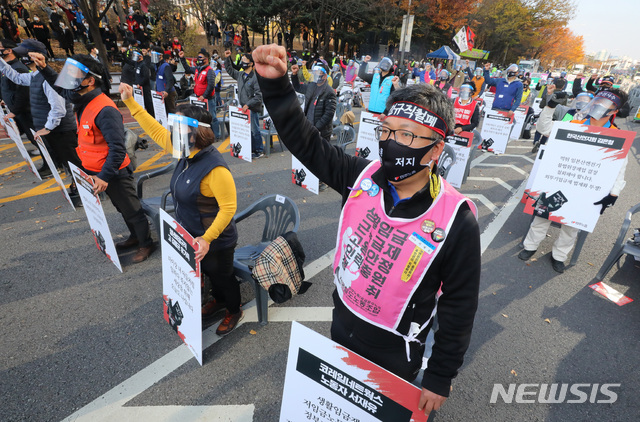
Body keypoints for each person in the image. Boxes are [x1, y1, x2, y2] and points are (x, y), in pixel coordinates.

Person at [252, 44, 481, 419]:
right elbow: (304, 141)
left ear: (437, 150)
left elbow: (459, 305)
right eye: (387, 130)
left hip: (396, 353)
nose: (392, 142)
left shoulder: (456, 219)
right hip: (342, 328)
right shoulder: (360, 177)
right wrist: (275, 85)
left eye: (407, 135)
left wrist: (439, 376)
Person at [119, 83, 243, 334]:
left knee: (223, 276)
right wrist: (130, 102)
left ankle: (233, 309)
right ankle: (218, 301)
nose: (172, 133)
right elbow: (154, 130)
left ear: (196, 134)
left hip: (215, 240)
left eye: (179, 129)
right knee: (208, 271)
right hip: (193, 236)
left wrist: (207, 239)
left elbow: (229, 208)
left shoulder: (216, 169)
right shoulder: (184, 150)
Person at [32, 52, 155, 263]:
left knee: (132, 210)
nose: (70, 80)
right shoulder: (81, 98)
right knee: (120, 207)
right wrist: (44, 68)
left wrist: (104, 177)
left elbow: (118, 149)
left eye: (75, 76)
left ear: (89, 81)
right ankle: (135, 237)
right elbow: (60, 88)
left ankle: (146, 244)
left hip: (113, 171)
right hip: (98, 170)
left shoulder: (105, 109)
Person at [519, 88, 629, 273]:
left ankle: (559, 255)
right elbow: (544, 128)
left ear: (614, 111)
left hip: (585, 186)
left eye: (606, 104)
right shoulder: (573, 124)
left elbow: (619, 168)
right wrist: (550, 106)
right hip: (561, 178)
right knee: (542, 215)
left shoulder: (616, 136)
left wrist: (614, 193)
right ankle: (530, 246)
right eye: (598, 101)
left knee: (572, 223)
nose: (600, 106)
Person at [0, 39, 81, 192]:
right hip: (54, 129)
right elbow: (16, 77)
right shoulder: (35, 75)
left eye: (24, 53)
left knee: (73, 162)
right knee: (67, 162)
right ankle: (79, 187)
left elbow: (59, 109)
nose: (20, 56)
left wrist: (48, 127)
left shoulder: (49, 78)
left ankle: (87, 191)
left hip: (61, 130)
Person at [224, 49, 264, 158]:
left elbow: (259, 95)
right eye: (242, 60)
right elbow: (230, 70)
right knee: (247, 131)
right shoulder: (240, 74)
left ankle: (259, 150)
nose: (242, 62)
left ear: (251, 63)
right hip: (243, 108)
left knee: (255, 130)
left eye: (245, 60)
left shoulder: (255, 77)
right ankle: (250, 149)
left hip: (252, 108)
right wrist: (227, 58)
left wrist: (249, 104)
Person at [0, 39, 37, 158]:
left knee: (34, 137)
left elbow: (23, 93)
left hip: (24, 111)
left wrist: (15, 111)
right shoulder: (8, 67)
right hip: (18, 110)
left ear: (8, 50)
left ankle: (52, 163)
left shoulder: (18, 68)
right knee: (29, 136)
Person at [180, 49, 221, 139]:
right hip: (199, 99)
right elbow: (187, 69)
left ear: (206, 59)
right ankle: (205, 135)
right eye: (198, 57)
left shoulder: (209, 71)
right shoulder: (197, 69)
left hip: (208, 99)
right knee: (201, 118)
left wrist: (204, 96)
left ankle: (216, 136)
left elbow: (211, 85)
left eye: (200, 57)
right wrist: (182, 58)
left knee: (212, 117)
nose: (198, 59)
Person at [290, 62, 336, 142]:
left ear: (325, 76)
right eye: (314, 72)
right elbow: (298, 87)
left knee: (321, 153)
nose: (315, 74)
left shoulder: (329, 92)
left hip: (322, 132)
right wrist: (294, 75)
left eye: (318, 72)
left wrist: (316, 128)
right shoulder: (311, 86)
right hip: (308, 127)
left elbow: (329, 114)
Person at [154, 48, 177, 114]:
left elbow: (170, 80)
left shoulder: (166, 66)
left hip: (168, 93)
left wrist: (166, 90)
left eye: (154, 55)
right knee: (163, 112)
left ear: (160, 56)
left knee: (171, 111)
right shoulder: (157, 65)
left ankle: (174, 124)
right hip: (160, 92)